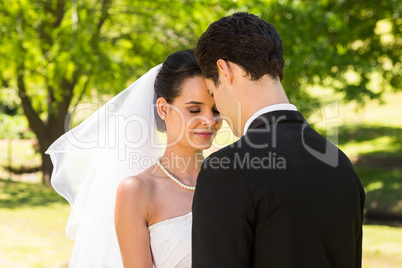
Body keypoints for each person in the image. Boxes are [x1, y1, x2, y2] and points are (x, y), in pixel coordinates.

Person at [192, 12, 365, 267]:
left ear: (225, 70)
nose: (218, 110)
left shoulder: (228, 170)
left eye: (211, 92)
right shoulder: (339, 163)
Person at [46, 50, 221, 267]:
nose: (209, 121)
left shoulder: (229, 180)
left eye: (216, 110)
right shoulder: (137, 191)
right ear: (164, 109)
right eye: (194, 109)